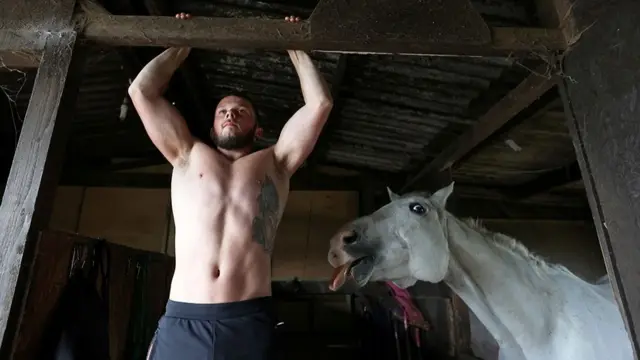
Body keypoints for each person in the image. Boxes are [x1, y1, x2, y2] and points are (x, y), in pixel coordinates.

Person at [128, 12, 333, 360]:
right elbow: (141, 91)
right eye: (223, 110)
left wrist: (294, 46)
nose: (230, 114)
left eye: (241, 111)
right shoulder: (187, 155)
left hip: (248, 318)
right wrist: (182, 43)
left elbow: (320, 104)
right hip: (185, 316)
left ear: (258, 130)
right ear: (212, 127)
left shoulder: (277, 163)